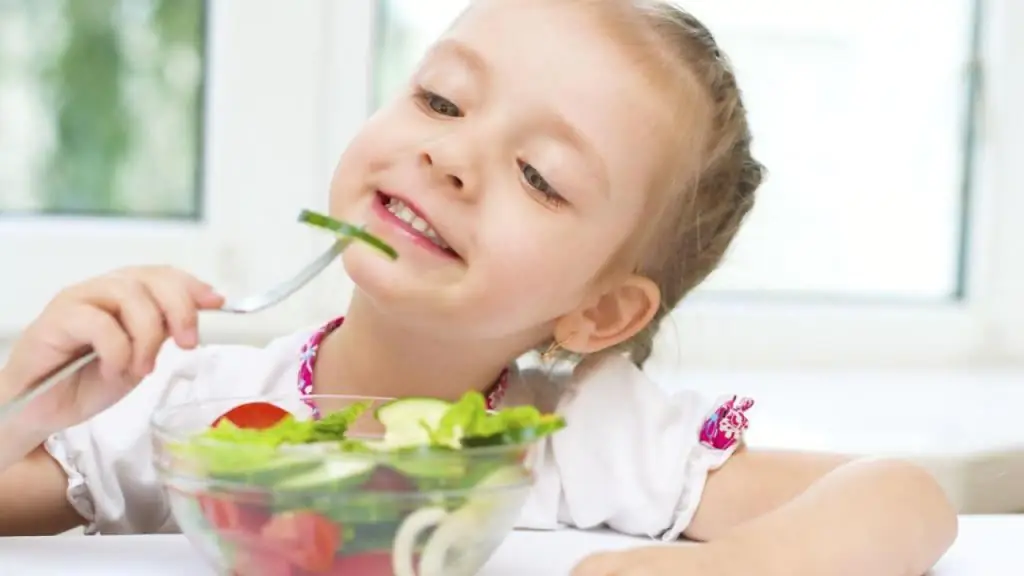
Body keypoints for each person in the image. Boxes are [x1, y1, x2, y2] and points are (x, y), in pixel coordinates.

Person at [0, 0, 956, 574]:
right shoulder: (195, 410)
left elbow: (906, 497)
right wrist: (22, 403)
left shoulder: (582, 435)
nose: (449, 155)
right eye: (440, 99)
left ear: (600, 310)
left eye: (540, 175)